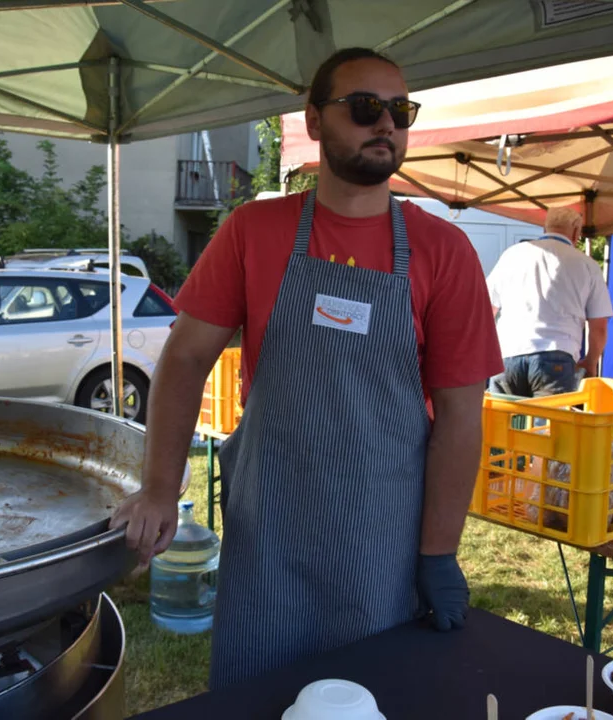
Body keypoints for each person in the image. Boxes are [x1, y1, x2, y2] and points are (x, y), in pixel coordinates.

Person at [109, 47, 503, 689]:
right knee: (258, 695)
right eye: (365, 108)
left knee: (370, 696)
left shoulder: (445, 251)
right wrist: (159, 487)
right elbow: (184, 361)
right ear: (315, 122)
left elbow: (461, 415)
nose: (386, 125)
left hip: (384, 538)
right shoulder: (253, 230)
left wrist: (439, 553)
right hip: (271, 532)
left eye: (400, 111)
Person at [486, 207, 613, 397]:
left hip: (508, 353)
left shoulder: (512, 254)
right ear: (576, 232)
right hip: (557, 354)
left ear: (545, 228)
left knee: (501, 422)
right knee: (547, 426)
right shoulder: (587, 264)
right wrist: (590, 361)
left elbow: (487, 310)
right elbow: (599, 327)